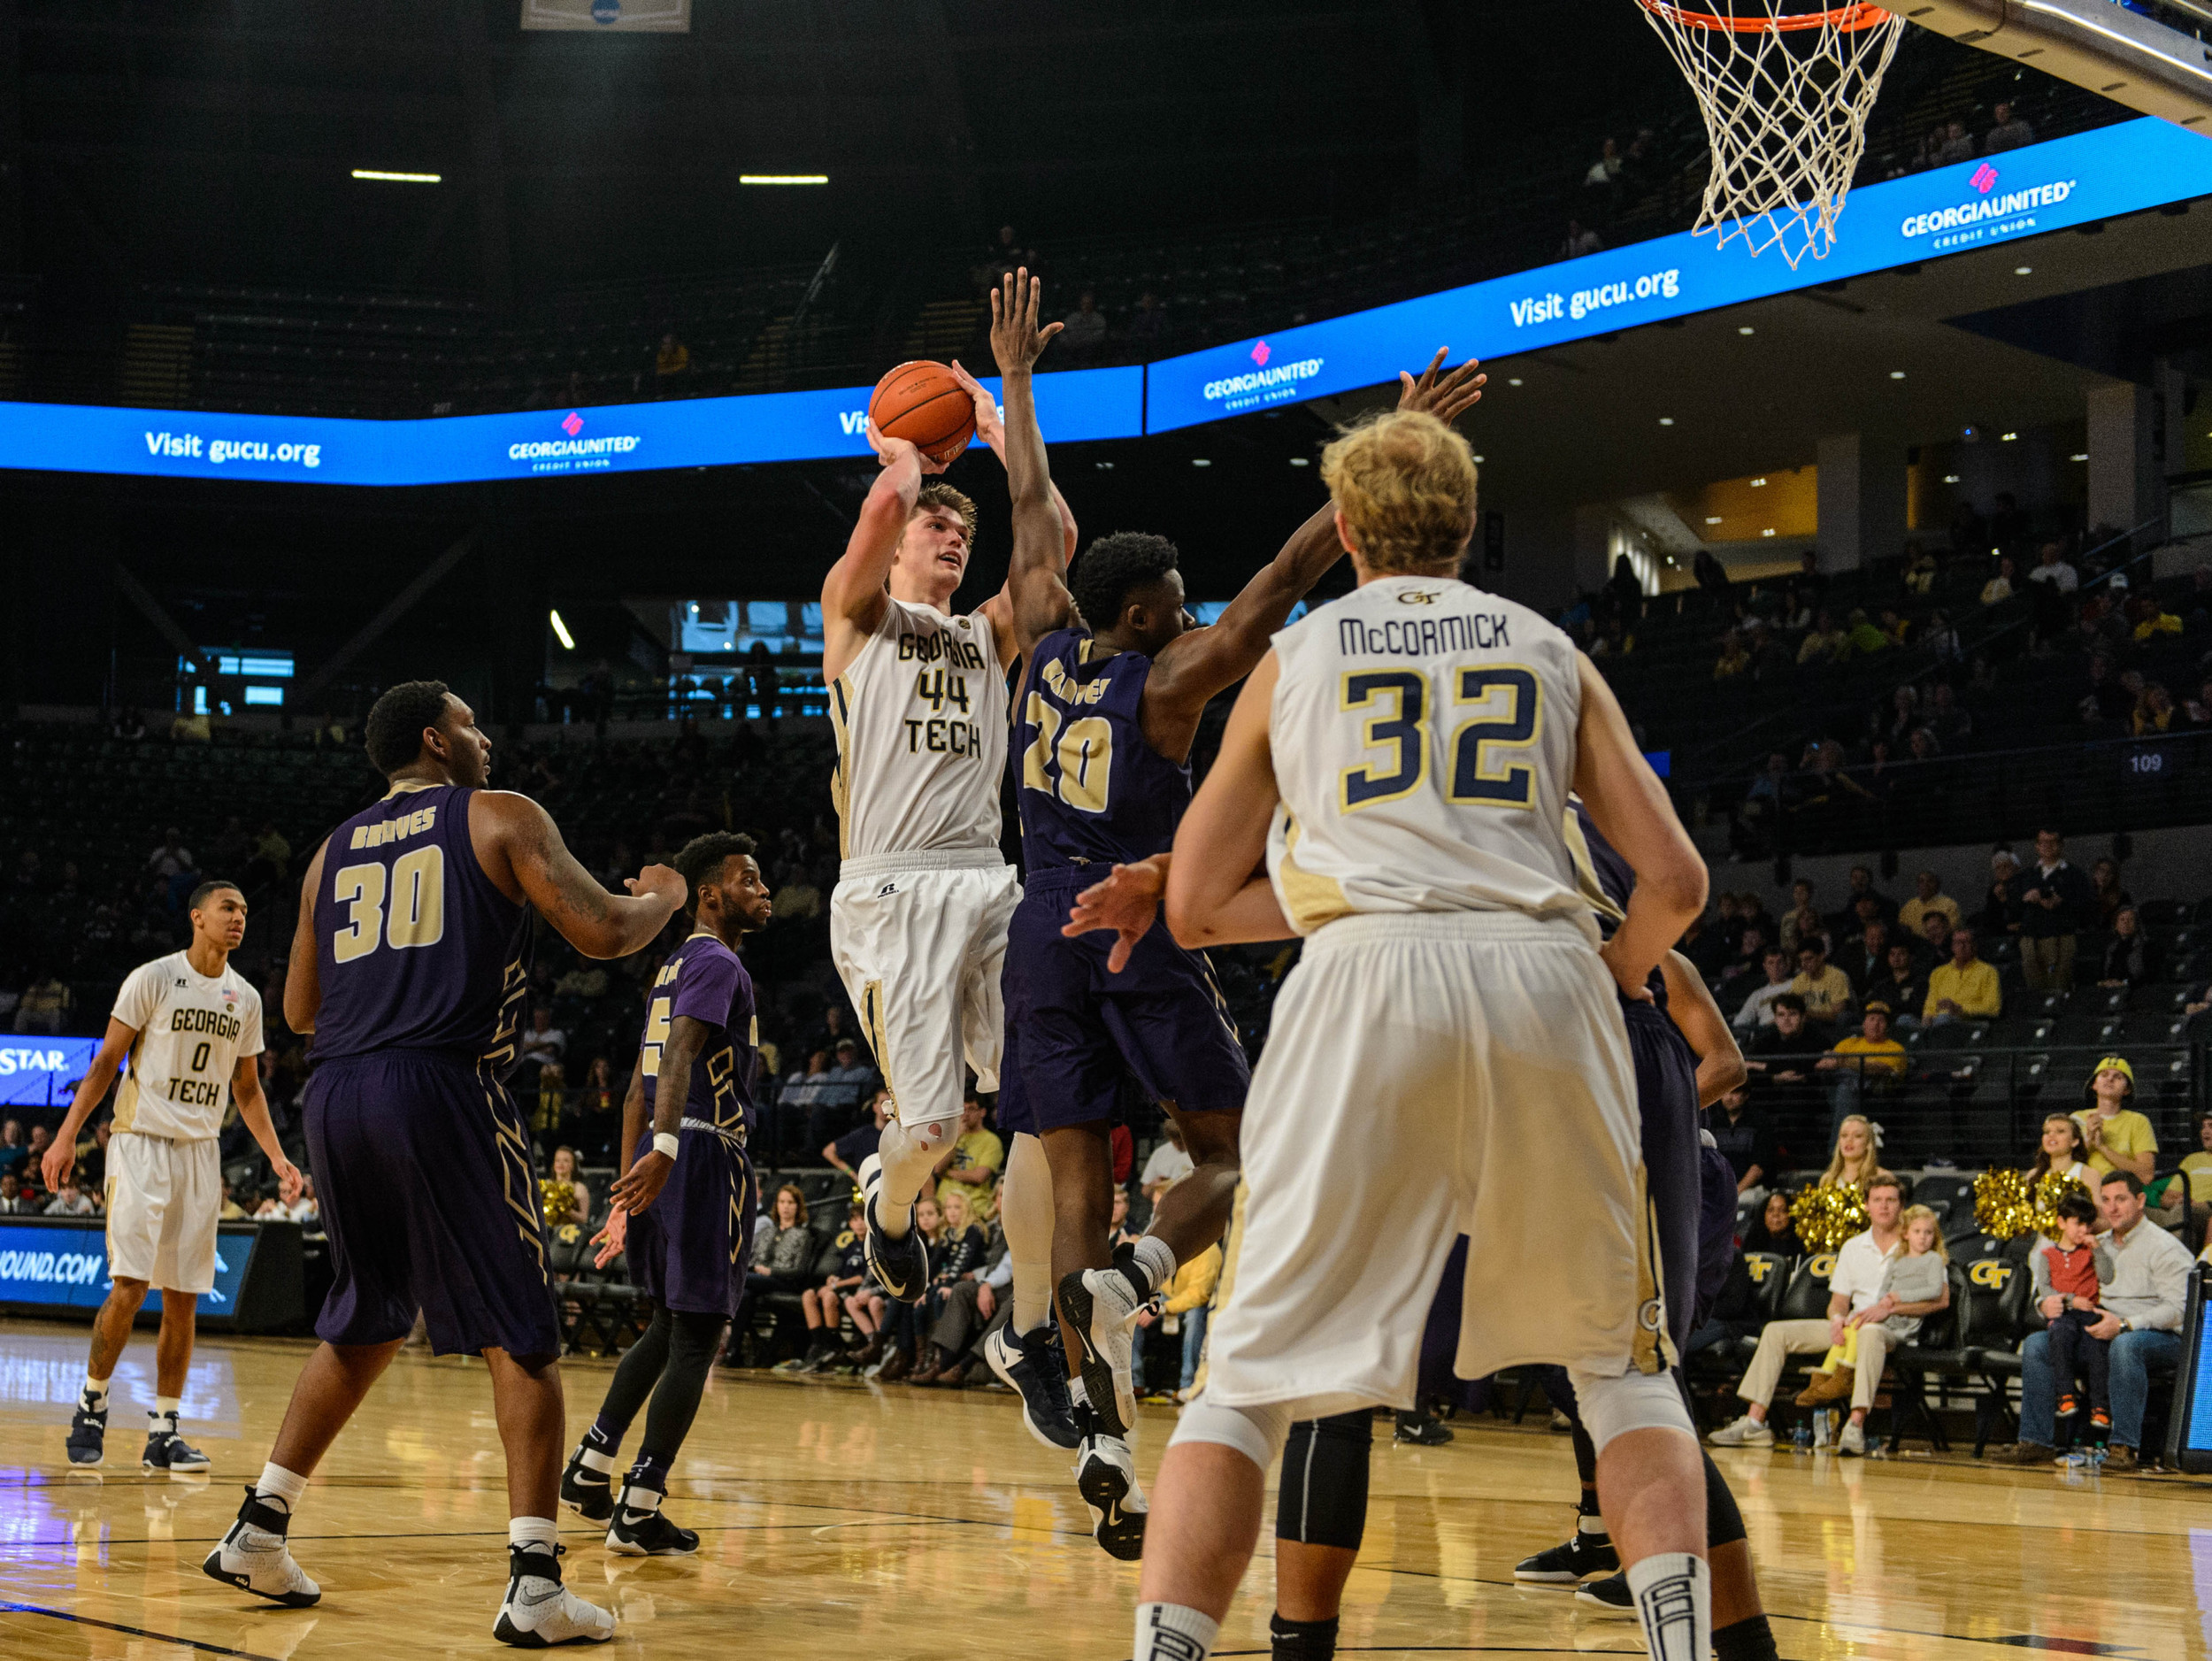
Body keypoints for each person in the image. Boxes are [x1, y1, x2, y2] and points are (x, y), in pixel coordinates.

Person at [1122, 404, 1717, 1661]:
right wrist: (1602, 976)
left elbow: (1192, 903)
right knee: (1620, 1371)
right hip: (1546, 978)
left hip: (1360, 982)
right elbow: (1675, 883)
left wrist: (1345, 887)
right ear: (1468, 527)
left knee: (1246, 1385)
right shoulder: (1550, 647)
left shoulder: (1300, 653)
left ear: (1343, 531)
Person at [994, 310, 1447, 1553]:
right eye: (1173, 602)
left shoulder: (1038, 652)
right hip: (1136, 920)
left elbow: (1032, 508)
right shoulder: (1168, 680)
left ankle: (1101, 1437)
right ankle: (1141, 1280)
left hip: (1038, 931)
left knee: (1078, 1181)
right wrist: (1382, 460)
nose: (1189, 613)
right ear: (1141, 616)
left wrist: (1017, 384)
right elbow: (1274, 595)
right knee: (1241, 1154)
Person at [200, 680, 685, 1644]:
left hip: (337, 1091)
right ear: (435, 737)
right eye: (472, 721)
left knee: (366, 1314)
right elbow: (605, 931)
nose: (487, 734)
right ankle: (536, 1585)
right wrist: (665, 893)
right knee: (525, 1332)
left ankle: (259, 1524)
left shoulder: (328, 853)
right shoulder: (497, 813)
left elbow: (298, 1010)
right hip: (441, 1082)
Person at [818, 273, 1079, 1461]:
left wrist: (1001, 411)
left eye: (961, 530)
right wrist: (902, 456)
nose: (950, 532)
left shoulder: (986, 634)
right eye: (940, 523)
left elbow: (1056, 541)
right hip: (890, 890)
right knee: (927, 1126)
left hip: (988, 875)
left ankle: (1026, 1323)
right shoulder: (857, 619)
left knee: (1034, 1095)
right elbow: (874, 527)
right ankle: (888, 1206)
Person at [560, 831, 772, 1554]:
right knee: (697, 1336)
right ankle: (641, 1503)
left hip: (663, 1159)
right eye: (749, 879)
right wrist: (671, 1150)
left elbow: (631, 1093)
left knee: (661, 1326)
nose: (763, 889)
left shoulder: (671, 965)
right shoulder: (716, 959)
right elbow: (680, 1055)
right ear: (709, 894)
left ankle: (591, 1466)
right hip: (702, 1155)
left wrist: (627, 1191)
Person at [45, 880, 303, 1472]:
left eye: (243, 909)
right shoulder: (153, 977)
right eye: (227, 908)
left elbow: (246, 1087)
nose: (239, 918)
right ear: (198, 916)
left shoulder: (245, 997)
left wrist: (278, 1156)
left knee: (185, 1298)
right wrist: (65, 1135)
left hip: (199, 1152)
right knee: (132, 1286)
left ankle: (164, 1428)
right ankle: (92, 1403)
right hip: (139, 1144)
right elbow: (107, 1062)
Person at [1709, 1176, 1945, 1454]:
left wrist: (1889, 1308)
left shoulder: (1916, 1244)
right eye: (1877, 1200)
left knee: (1869, 1333)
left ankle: (1855, 1426)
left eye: (1891, 1200)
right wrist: (1836, 1319)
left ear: (1901, 1206)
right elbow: (1838, 1302)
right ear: (1867, 1205)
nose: (1884, 1206)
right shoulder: (1853, 1247)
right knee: (1775, 1331)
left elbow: (1938, 1300)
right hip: (1852, 1323)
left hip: (1889, 1328)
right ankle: (1754, 1422)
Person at [2000, 1171, 2191, 1471]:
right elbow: (2057, 1284)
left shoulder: (2164, 1247)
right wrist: (2045, 1302)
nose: (2112, 1208)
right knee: (2037, 1343)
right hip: (2096, 1327)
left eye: (2121, 1199)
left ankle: (2124, 1445)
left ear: (2140, 1200)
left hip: (2160, 1335)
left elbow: (2179, 1310)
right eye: (2106, 1200)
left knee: (2125, 1346)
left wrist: (2126, 1324)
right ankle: (2036, 1440)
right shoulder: (2094, 1243)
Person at [1795, 1202, 1948, 1407]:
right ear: (1906, 1234)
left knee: (1863, 1328)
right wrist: (1865, 1312)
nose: (1923, 1236)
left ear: (1935, 1236)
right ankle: (1823, 1378)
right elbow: (1882, 1294)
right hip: (1884, 1319)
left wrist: (1897, 1296)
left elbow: (1934, 1291)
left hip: (1904, 1327)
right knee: (1853, 1326)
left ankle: (1844, 1377)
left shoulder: (1933, 1260)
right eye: (1918, 1231)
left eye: (1928, 1232)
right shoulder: (1897, 1260)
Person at [2033, 1192, 2116, 1435]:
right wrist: (2071, 1301)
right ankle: (2065, 1394)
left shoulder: (2090, 1251)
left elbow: (2107, 1276)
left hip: (2090, 1313)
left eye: (2088, 1225)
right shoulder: (2047, 1255)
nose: (2084, 1230)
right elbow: (2044, 1288)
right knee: (2059, 1335)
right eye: (2078, 1223)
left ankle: (2100, 1406)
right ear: (2061, 1223)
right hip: (2066, 1314)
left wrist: (2098, 1249)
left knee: (2098, 1347)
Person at [1816, 1003, 1906, 1138]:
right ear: (1863, 1024)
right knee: (1844, 1088)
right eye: (1871, 1019)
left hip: (1872, 1095)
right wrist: (1842, 1063)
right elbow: (1822, 1065)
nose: (1875, 1024)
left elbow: (1880, 1069)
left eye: (1881, 1021)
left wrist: (1843, 1062)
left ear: (1887, 1026)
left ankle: (1836, 1152)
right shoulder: (1849, 1043)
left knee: (1845, 1089)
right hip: (1839, 1091)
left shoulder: (1895, 1048)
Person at [2019, 829, 2091, 993]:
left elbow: (2086, 905)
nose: (2048, 846)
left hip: (2061, 936)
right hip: (2032, 937)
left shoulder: (2074, 874)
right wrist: (2029, 897)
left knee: (2059, 986)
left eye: (2053, 842)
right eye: (2044, 842)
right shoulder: (2028, 875)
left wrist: (2062, 901)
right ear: (2037, 846)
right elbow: (2015, 903)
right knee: (2034, 989)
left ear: (2061, 845)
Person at [2073, 1057, 2156, 1183]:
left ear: (2127, 1090)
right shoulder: (2077, 1118)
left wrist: (2103, 1147)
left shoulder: (2138, 1121)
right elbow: (2062, 1165)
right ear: (2094, 1084)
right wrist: (2089, 1139)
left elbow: (2146, 1175)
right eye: (2104, 1075)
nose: (2110, 1079)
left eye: (2118, 1077)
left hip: (2119, 1195)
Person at [933, 1089, 1002, 1222]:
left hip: (974, 1210)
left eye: (971, 1109)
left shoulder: (991, 1141)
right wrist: (956, 1138)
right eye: (962, 1109)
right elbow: (938, 1169)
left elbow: (978, 1177)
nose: (966, 1114)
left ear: (982, 1112)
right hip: (945, 1209)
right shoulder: (953, 1137)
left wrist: (948, 1173)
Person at [1705, 1085, 1775, 1199]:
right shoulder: (1713, 1122)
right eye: (1725, 1093)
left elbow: (1758, 1168)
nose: (1728, 1098)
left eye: (1734, 1093)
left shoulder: (1760, 1122)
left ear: (1746, 1095)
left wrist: (1735, 1193)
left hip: (1751, 1189)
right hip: (1720, 1189)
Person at [1924, 925, 2001, 1025]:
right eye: (1957, 943)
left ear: (1974, 946)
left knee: (1943, 1018)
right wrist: (1927, 1017)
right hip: (1937, 1020)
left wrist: (1959, 1009)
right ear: (1952, 947)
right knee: (1905, 1019)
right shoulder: (1938, 972)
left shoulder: (1988, 971)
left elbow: (1993, 1008)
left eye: (1966, 942)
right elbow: (1930, 1004)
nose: (1962, 946)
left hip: (1969, 1022)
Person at [823, 1088, 891, 1180]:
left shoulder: (900, 1134)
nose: (886, 1108)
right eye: (882, 1103)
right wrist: (853, 1175)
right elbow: (828, 1152)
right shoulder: (862, 1134)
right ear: (875, 1107)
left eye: (890, 1103)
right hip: (870, 1186)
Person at [1730, 947, 1797, 1034]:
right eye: (1771, 963)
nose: (1775, 967)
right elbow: (1740, 1021)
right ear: (1764, 966)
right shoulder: (1758, 994)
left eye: (1779, 962)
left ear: (1786, 964)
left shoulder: (1796, 985)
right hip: (1762, 1034)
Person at [1818, 1114, 1890, 1193]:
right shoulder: (1827, 1179)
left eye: (1857, 1136)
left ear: (1868, 1143)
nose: (1849, 1140)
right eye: (1844, 1135)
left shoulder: (1882, 1177)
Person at [1788, 938, 1852, 1027]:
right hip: (1807, 1026)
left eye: (1809, 959)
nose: (1803, 964)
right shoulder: (1799, 980)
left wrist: (1808, 1013)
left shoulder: (1837, 976)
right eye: (1801, 960)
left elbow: (1837, 1015)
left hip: (1831, 1027)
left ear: (1822, 955)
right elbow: (1793, 1008)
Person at [2097, 905, 2163, 988]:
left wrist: (2124, 983)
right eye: (2122, 919)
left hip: (2138, 991)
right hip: (2110, 990)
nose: (2126, 923)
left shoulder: (2148, 947)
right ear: (2116, 926)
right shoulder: (2110, 949)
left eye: (2130, 919)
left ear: (2136, 924)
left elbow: (2150, 976)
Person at [2028, 1112, 2096, 1189]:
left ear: (2075, 1141)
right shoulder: (2033, 1175)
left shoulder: (2088, 1174)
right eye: (2047, 1132)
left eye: (2060, 1131)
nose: (2051, 1135)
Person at [1895, 871, 1959, 938]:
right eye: (1921, 881)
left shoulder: (1950, 905)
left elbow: (1951, 930)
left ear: (1937, 885)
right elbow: (1901, 927)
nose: (1925, 884)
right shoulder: (1910, 905)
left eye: (1930, 881)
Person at [545, 1145, 589, 1230]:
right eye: (557, 1160)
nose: (560, 1164)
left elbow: (584, 1219)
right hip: (547, 1233)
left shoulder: (579, 1188)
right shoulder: (546, 1185)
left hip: (568, 1235)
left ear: (573, 1165)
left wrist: (565, 1209)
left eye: (566, 1161)